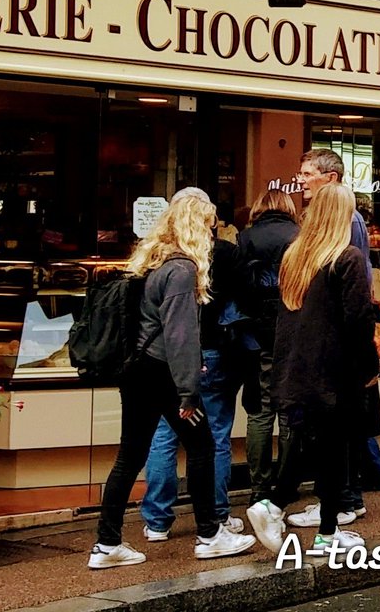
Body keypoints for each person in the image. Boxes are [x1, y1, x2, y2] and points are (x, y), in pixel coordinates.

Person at [88, 188, 255, 568]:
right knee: (202, 446)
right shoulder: (182, 271)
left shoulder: (153, 262)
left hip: (138, 369)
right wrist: (188, 394)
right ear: (198, 226)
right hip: (163, 372)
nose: (214, 234)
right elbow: (180, 337)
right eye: (210, 225)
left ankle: (107, 543)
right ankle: (209, 534)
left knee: (130, 456)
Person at [246, 184, 377, 556]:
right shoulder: (346, 259)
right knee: (333, 452)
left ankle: (312, 523)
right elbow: (358, 322)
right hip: (335, 372)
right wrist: (368, 368)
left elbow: (288, 318)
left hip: (296, 370)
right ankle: (309, 524)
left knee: (314, 448)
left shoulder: (296, 256)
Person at [284, 148, 380, 528]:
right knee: (338, 430)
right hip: (336, 352)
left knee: (339, 431)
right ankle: (343, 499)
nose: (301, 179)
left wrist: (364, 361)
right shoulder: (329, 232)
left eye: (308, 173)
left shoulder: (347, 228)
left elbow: (355, 301)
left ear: (330, 178)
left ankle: (341, 501)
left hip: (338, 354)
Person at [139, 220, 247, 541]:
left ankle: (157, 520)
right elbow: (245, 297)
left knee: (164, 436)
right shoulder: (223, 254)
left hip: (168, 358)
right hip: (214, 352)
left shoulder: (161, 259)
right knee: (214, 435)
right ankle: (216, 515)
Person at [236, 187, 300, 507]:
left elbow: (239, 287)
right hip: (293, 328)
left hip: (255, 332)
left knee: (260, 410)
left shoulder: (246, 238)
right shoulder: (299, 235)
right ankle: (286, 486)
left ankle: (259, 487)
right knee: (289, 410)